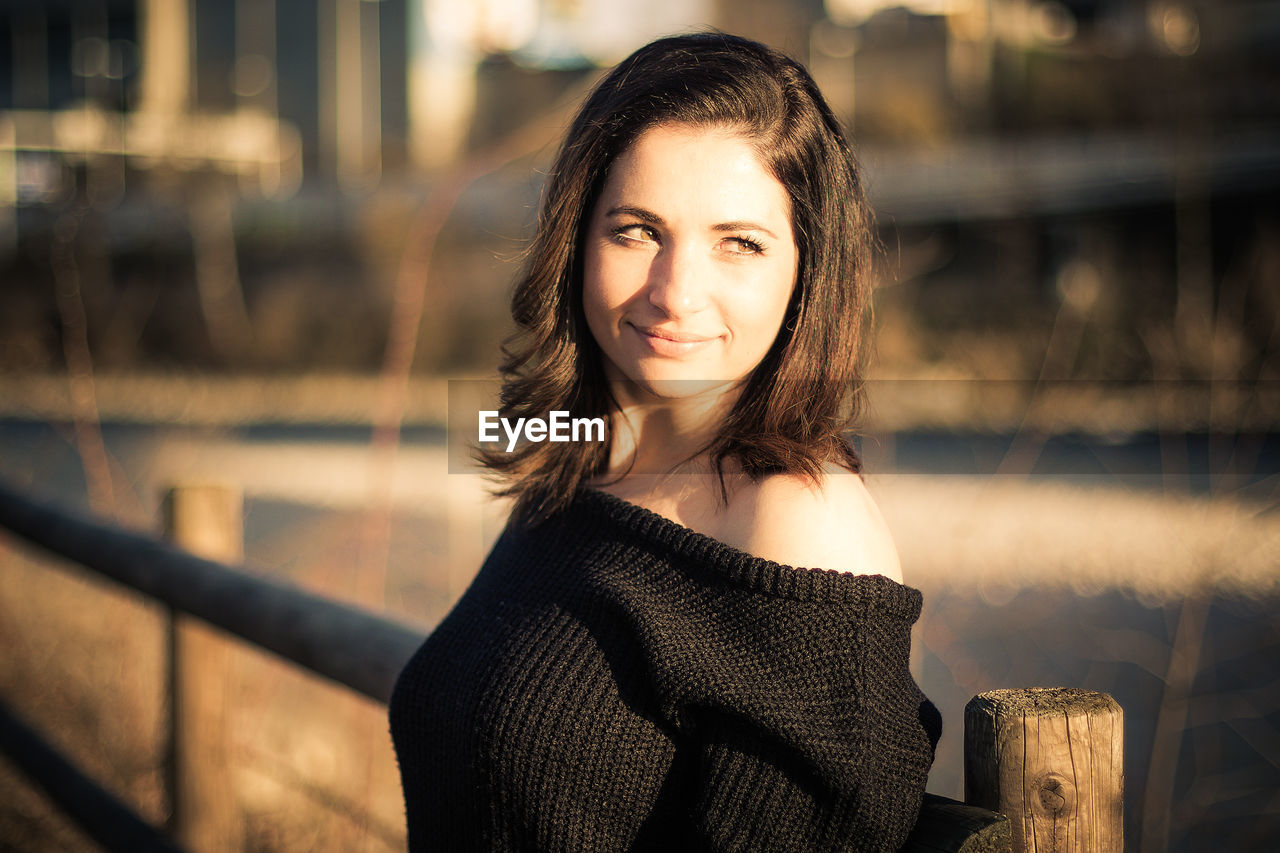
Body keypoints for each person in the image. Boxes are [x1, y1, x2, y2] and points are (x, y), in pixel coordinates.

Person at [389, 32, 940, 851]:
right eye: (638, 230)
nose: (676, 293)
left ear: (806, 271)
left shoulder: (799, 531)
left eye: (740, 243)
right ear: (576, 240)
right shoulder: (578, 452)